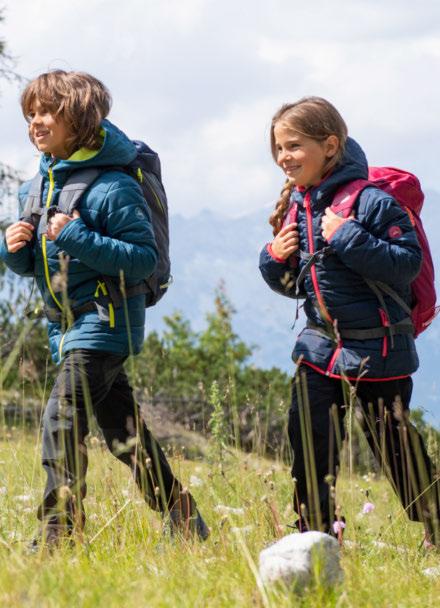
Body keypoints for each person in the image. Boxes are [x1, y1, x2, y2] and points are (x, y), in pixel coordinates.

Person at [0, 70, 208, 546]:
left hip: (105, 322)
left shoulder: (114, 186)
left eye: (47, 111)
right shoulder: (37, 186)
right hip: (65, 328)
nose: (35, 121)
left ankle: (60, 531)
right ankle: (181, 514)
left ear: (79, 118)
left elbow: (140, 261)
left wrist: (73, 235)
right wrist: (13, 250)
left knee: (61, 414)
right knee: (123, 432)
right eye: (30, 113)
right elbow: (38, 266)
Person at [259, 96, 439, 546]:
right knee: (309, 444)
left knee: (395, 449)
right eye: (279, 148)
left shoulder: (371, 203)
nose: (284, 157)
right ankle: (318, 538)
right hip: (319, 350)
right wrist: (272, 259)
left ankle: (437, 521)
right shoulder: (299, 207)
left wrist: (349, 236)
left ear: (331, 145)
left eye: (294, 146)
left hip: (379, 351)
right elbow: (298, 285)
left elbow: (405, 265)